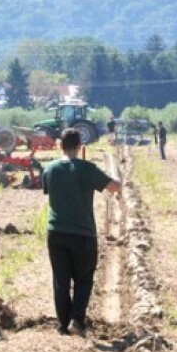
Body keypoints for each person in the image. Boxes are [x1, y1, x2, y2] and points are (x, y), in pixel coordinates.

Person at [42, 128, 121, 337]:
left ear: (60, 145)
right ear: (80, 146)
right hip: (83, 234)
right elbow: (115, 187)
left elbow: (49, 191)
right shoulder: (88, 169)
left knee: (61, 280)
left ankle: (62, 324)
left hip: (56, 232)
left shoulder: (50, 169)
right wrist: (115, 173)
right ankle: (76, 320)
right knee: (84, 279)